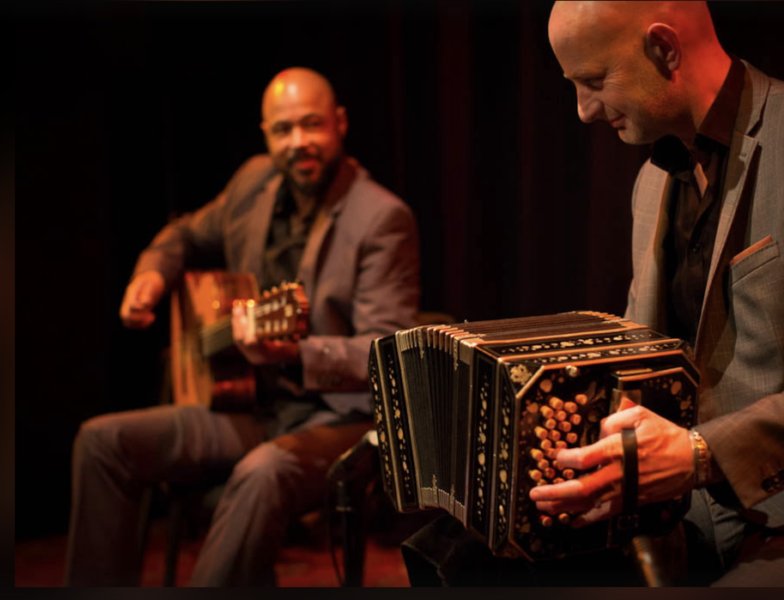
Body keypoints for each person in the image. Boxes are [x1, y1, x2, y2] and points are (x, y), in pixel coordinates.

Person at [402, 1, 783, 586]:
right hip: (681, 501)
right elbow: (641, 362)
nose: (582, 112)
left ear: (665, 49)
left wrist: (701, 453)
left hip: (769, 506)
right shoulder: (652, 181)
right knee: (461, 553)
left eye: (593, 81)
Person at [64, 67, 421, 586]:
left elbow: (384, 356)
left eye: (312, 125)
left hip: (340, 422)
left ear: (340, 123)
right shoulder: (253, 183)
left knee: (262, 472)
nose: (298, 142)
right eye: (283, 130)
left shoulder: (381, 217)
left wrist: (293, 355)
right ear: (266, 134)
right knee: (102, 441)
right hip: (252, 404)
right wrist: (151, 276)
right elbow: (184, 233)